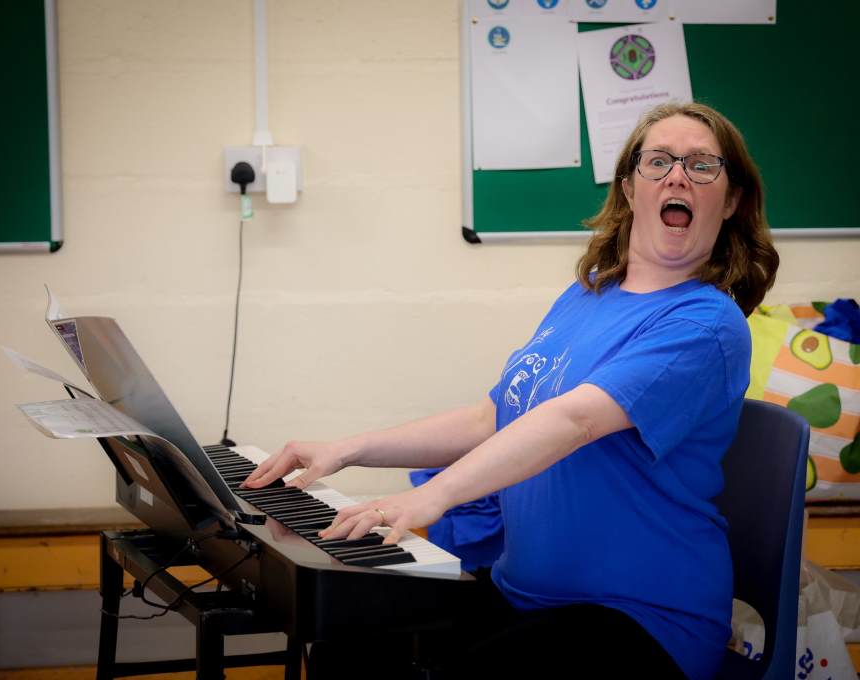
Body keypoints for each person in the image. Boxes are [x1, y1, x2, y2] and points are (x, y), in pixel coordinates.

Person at [243, 102, 779, 679]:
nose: (678, 176)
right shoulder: (588, 295)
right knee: (347, 643)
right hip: (523, 596)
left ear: (730, 201)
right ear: (628, 189)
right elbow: (491, 417)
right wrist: (346, 450)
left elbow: (576, 421)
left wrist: (432, 497)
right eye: (659, 162)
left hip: (641, 620)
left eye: (702, 165)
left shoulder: (706, 325)